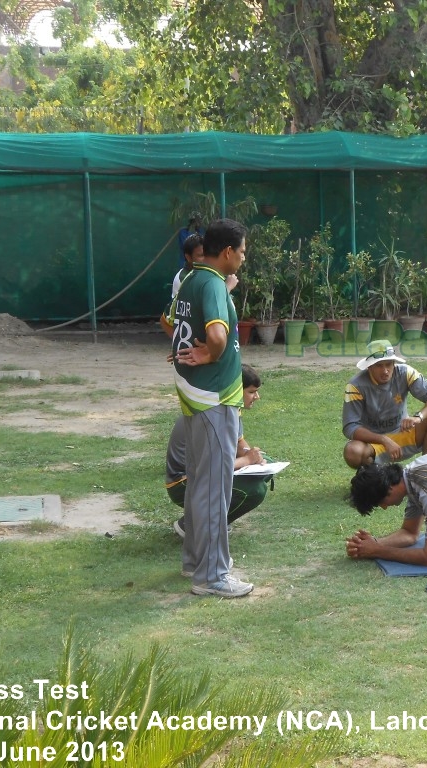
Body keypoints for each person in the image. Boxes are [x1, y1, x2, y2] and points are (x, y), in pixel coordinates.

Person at [167, 217, 252, 598]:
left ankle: (194, 562)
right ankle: (213, 576)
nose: (244, 259)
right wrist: (208, 353)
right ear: (229, 252)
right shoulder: (213, 284)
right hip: (216, 397)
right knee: (215, 488)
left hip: (194, 395)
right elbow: (217, 335)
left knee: (200, 484)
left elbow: (171, 322)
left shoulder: (189, 278)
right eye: (243, 252)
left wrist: (185, 351)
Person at [166, 364, 271, 538]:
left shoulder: (227, 406)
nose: (257, 397)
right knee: (254, 491)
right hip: (184, 484)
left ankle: (211, 519)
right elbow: (212, 466)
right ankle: (192, 526)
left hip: (203, 474)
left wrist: (250, 454)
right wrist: (246, 460)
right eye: (252, 392)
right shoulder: (213, 417)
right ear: (237, 391)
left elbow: (239, 443)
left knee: (265, 464)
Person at [342, 339, 427, 469]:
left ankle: (426, 469)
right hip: (373, 442)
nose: (385, 371)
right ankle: (376, 474)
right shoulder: (355, 385)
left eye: (389, 364)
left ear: (394, 363)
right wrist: (383, 440)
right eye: (379, 366)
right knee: (353, 451)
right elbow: (350, 427)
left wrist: (418, 417)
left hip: (404, 433)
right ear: (369, 366)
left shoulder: (405, 373)